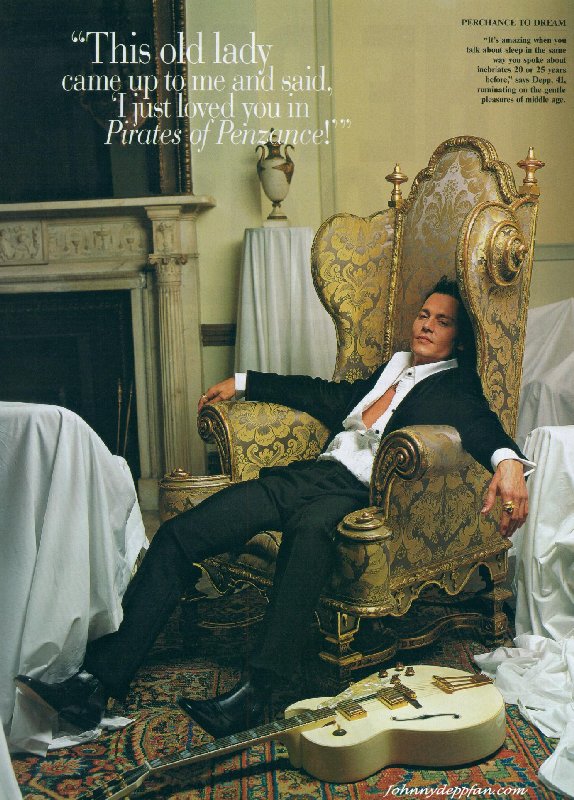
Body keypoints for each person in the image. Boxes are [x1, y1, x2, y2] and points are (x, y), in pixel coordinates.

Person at [15, 278, 531, 741]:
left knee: (311, 536)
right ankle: (96, 683)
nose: (427, 325)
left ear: (457, 339)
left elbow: (482, 425)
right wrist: (243, 382)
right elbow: (324, 394)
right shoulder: (392, 368)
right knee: (182, 533)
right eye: (424, 314)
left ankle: (257, 693)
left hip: (353, 495)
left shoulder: (454, 385)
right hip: (308, 475)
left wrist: (507, 463)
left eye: (442, 321)